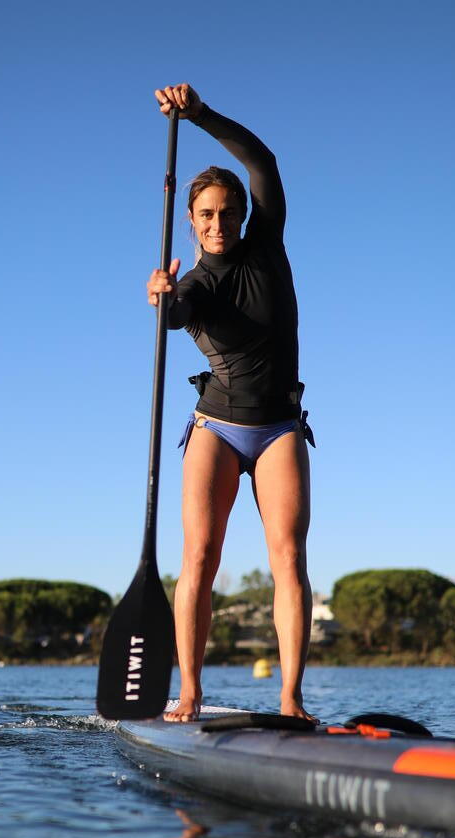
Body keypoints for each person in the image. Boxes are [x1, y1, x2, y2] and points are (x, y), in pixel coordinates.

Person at [147, 83, 316, 724]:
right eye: (206, 214)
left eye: (227, 212)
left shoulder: (267, 247)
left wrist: (201, 115)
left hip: (277, 426)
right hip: (216, 426)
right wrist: (162, 298)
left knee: (290, 559)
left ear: (242, 214)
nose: (217, 223)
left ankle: (292, 700)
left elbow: (262, 162)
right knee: (200, 557)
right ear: (190, 220)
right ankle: (187, 692)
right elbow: (178, 316)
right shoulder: (191, 284)